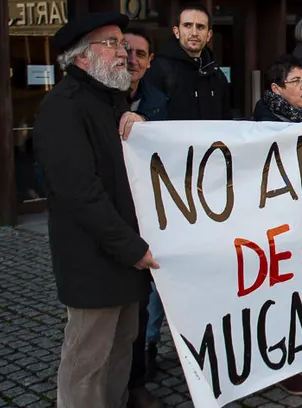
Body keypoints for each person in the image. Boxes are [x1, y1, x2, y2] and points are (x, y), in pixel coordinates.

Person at [33, 12, 161, 408]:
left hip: (125, 258)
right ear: (82, 57)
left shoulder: (114, 101)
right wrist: (132, 248)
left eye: (123, 43)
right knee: (87, 360)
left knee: (122, 350)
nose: (123, 51)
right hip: (93, 261)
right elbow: (79, 194)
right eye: (112, 43)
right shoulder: (63, 106)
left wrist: (139, 127)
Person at [252, 55, 302, 395]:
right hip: (278, 220)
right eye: (296, 81)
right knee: (282, 293)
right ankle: (281, 363)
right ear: (276, 89)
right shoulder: (262, 122)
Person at [124, 29, 168, 395]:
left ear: (150, 61)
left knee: (152, 289)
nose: (132, 60)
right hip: (118, 215)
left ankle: (146, 353)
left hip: (153, 210)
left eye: (140, 54)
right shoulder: (100, 100)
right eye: (126, 51)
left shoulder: (157, 101)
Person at [144, 3, 233, 120]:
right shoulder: (159, 69)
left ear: (209, 35)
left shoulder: (217, 75)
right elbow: (148, 116)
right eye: (187, 25)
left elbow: (225, 120)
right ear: (176, 32)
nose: (194, 33)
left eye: (200, 27)